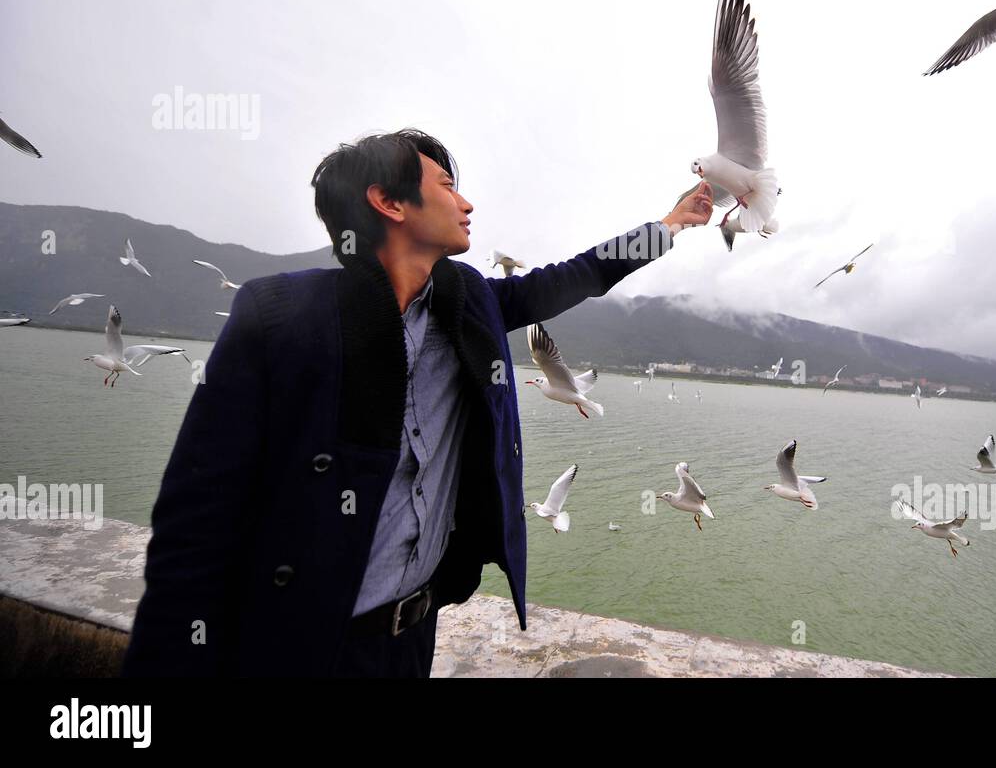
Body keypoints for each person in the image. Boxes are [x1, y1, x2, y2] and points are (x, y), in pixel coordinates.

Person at [121, 128, 713, 676]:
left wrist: (669, 225)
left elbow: (572, 277)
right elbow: (195, 519)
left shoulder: (471, 303)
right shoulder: (277, 317)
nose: (468, 204)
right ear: (390, 202)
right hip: (295, 643)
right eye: (448, 187)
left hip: (409, 640)